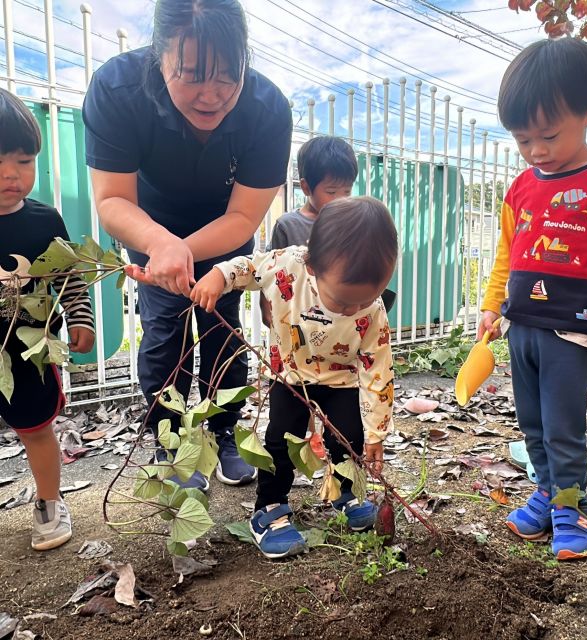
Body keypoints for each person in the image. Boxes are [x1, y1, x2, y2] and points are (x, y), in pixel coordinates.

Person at [82, 0, 293, 490]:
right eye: (192, 75)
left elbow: (244, 216)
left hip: (225, 231)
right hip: (148, 227)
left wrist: (191, 250)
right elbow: (112, 199)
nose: (211, 94)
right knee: (163, 331)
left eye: (227, 76)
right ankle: (170, 440)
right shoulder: (117, 89)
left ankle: (223, 432)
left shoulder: (267, 109)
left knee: (223, 330)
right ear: (160, 56)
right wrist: (162, 245)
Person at [478, 38, 587, 560]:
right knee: (532, 424)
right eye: (523, 140)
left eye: (548, 135)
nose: (536, 151)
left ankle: (574, 505)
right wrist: (492, 303)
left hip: (574, 331)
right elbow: (509, 251)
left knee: (563, 426)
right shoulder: (521, 187)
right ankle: (548, 493)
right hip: (521, 325)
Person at [190, 196, 398, 558]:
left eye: (366, 300)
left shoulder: (373, 311)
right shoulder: (289, 266)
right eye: (344, 302)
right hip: (291, 375)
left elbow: (378, 372)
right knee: (280, 443)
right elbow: (247, 266)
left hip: (342, 381)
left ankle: (344, 493)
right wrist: (219, 276)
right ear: (313, 266)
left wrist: (376, 434)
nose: (354, 310)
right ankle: (268, 509)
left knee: (347, 439)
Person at [0, 89, 95, 550]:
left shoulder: (44, 221)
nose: (10, 174)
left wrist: (81, 318)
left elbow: (69, 278)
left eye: (23, 161)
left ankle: (49, 502)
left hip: (29, 355)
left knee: (37, 430)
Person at [262, 135, 395, 326]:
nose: (341, 199)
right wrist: (266, 306)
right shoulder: (288, 226)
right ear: (306, 187)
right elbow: (269, 271)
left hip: (342, 319)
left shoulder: (354, 223)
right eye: (331, 192)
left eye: (347, 191)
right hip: (300, 318)